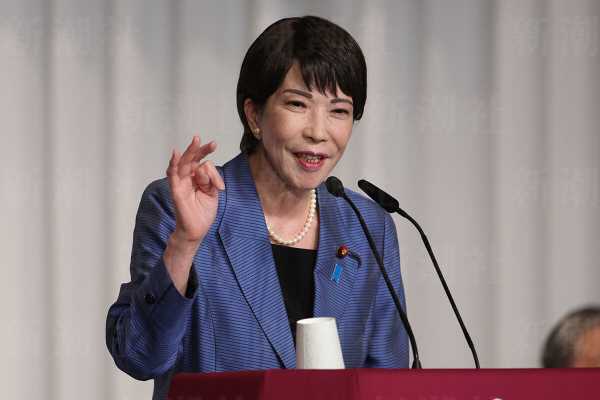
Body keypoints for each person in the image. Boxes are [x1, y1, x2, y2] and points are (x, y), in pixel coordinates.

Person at [106, 15, 409, 399]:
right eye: (298, 104)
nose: (318, 132)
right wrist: (184, 243)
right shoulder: (180, 205)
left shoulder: (367, 226)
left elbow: (388, 380)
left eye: (339, 111)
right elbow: (140, 357)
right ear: (254, 116)